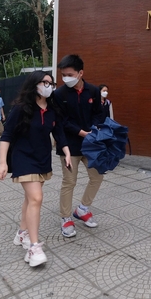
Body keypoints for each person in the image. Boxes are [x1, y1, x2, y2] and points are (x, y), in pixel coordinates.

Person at [0, 71, 72, 267]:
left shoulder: (52, 109)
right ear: (34, 84)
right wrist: (3, 162)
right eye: (44, 82)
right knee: (37, 198)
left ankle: (22, 234)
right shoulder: (22, 108)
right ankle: (34, 247)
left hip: (42, 158)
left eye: (51, 83)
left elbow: (58, 132)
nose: (48, 86)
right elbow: (7, 135)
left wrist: (66, 151)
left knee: (30, 199)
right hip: (23, 158)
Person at [54, 54, 105, 237]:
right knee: (69, 181)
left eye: (69, 74)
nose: (65, 78)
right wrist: (80, 132)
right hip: (69, 145)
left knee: (97, 176)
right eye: (63, 75)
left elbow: (99, 114)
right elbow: (61, 120)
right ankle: (65, 218)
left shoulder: (92, 91)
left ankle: (82, 208)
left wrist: (93, 130)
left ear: (80, 73)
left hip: (91, 144)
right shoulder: (59, 94)